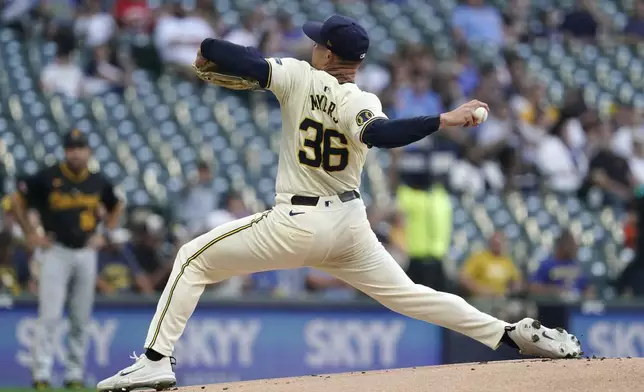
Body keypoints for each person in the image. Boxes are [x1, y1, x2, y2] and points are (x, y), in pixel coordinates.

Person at [98, 15, 581, 392]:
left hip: (296, 221)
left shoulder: (297, 76)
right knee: (411, 296)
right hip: (350, 224)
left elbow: (234, 56)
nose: (312, 47)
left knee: (191, 259)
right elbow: (383, 134)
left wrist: (206, 51)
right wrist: (443, 119)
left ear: (327, 53)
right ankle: (508, 333)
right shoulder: (359, 99)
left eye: (317, 43)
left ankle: (155, 363)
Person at [9, 130, 123, 390]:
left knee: (80, 318)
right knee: (49, 316)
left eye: (80, 147)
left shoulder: (97, 180)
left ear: (88, 151)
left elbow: (117, 204)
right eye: (71, 148)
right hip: (56, 250)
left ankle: (74, 374)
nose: (75, 152)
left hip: (86, 252)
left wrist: (104, 234)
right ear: (64, 151)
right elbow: (15, 200)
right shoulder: (48, 177)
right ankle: (42, 374)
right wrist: (30, 234)